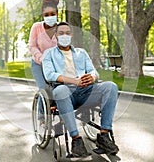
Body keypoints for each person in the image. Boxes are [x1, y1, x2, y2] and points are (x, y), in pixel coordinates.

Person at [42, 22, 119, 157]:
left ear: (71, 35)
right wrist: (74, 81)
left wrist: (92, 78)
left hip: (85, 91)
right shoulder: (49, 54)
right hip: (65, 91)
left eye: (67, 33)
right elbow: (50, 75)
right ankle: (76, 140)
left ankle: (104, 135)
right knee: (60, 91)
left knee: (111, 86)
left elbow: (93, 71)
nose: (64, 35)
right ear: (55, 36)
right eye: (61, 33)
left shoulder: (81, 53)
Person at [29, 0, 59, 90]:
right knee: (44, 90)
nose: (50, 17)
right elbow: (32, 46)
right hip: (38, 64)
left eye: (52, 14)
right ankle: (41, 104)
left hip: (55, 65)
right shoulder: (36, 27)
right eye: (46, 15)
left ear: (57, 14)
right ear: (43, 15)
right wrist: (42, 59)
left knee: (59, 90)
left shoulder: (61, 29)